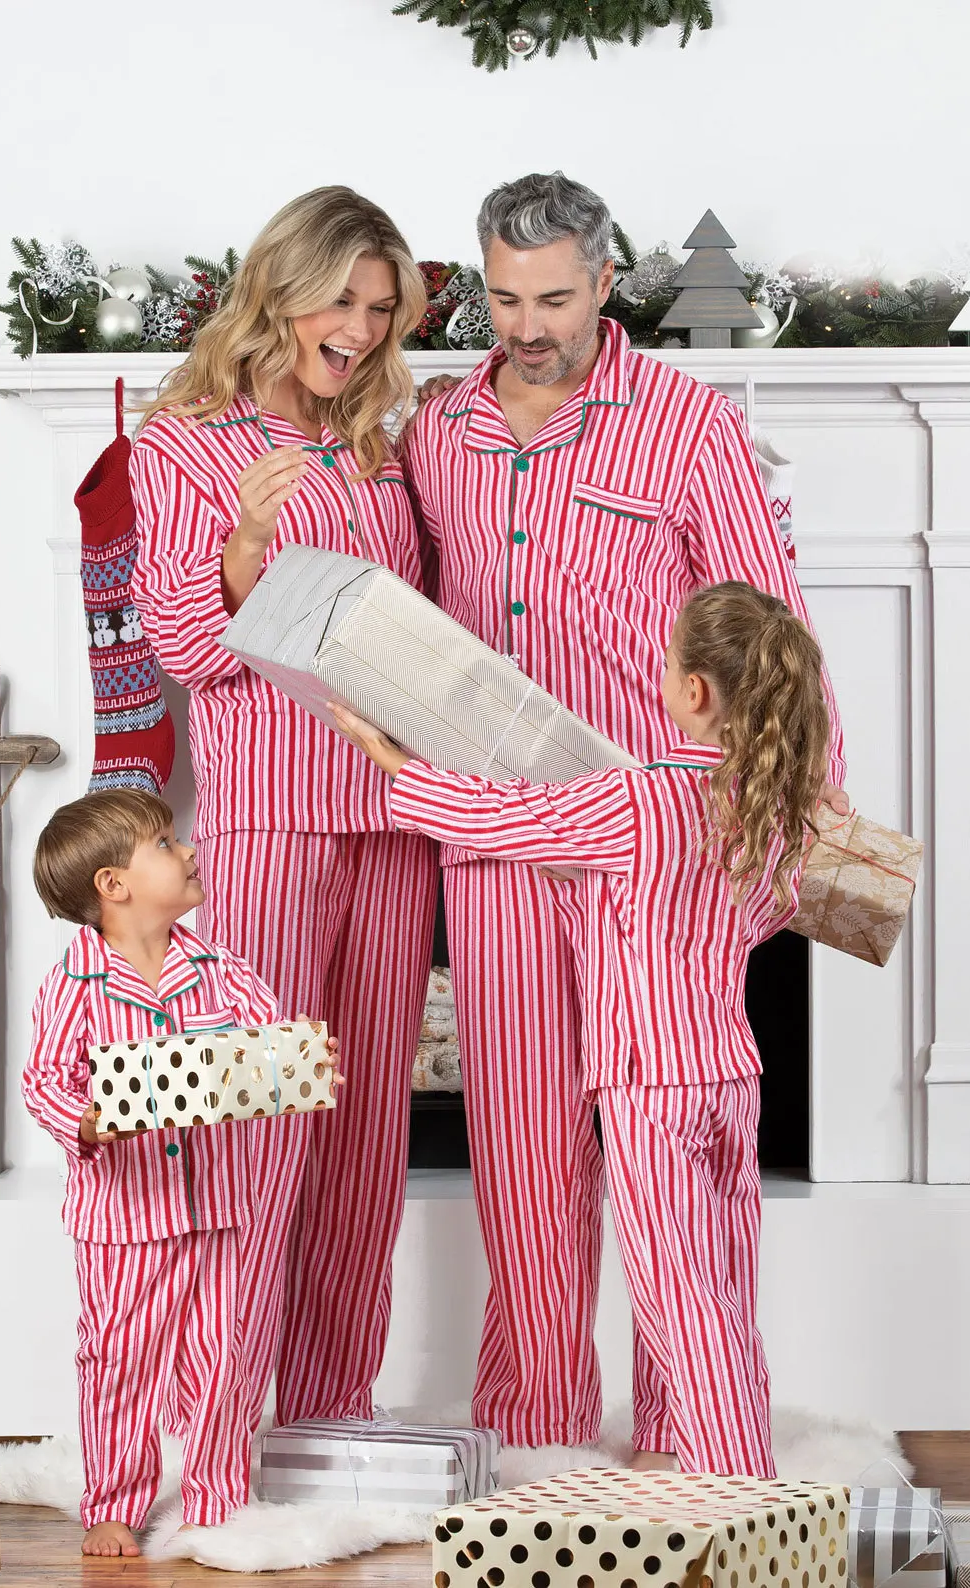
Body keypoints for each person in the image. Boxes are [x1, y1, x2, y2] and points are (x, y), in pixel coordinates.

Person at [402, 170, 847, 1454]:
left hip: (651, 852)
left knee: (666, 1170)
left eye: (552, 298)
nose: (526, 327)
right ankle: (535, 1432)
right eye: (502, 299)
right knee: (524, 1152)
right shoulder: (441, 431)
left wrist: (789, 819)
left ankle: (685, 1438)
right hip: (500, 843)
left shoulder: (686, 423)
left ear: (605, 281)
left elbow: (773, 631)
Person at [330, 580, 829, 1477]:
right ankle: (730, 1460)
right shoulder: (772, 814)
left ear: (691, 691)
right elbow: (761, 915)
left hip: (648, 1082)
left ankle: (734, 1489)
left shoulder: (637, 799)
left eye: (666, 664)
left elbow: (500, 817)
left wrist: (393, 763)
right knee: (724, 1287)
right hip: (729, 1076)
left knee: (681, 1300)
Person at [130, 188, 438, 1430]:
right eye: (339, 300)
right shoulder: (186, 442)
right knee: (257, 1123)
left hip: (394, 821)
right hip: (269, 824)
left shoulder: (379, 443)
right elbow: (183, 649)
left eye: (381, 307)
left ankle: (329, 1417)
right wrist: (244, 555)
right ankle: (212, 1431)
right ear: (280, 290)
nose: (358, 329)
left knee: (363, 1142)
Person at [21, 790, 341, 1557]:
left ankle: (215, 1496)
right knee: (120, 1361)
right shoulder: (75, 984)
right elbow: (44, 1081)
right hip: (124, 1219)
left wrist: (301, 1057)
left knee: (222, 1355)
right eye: (166, 844)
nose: (190, 848)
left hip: (218, 1209)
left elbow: (267, 1047)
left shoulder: (220, 970)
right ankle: (113, 1502)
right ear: (113, 885)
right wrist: (87, 1121)